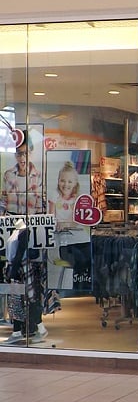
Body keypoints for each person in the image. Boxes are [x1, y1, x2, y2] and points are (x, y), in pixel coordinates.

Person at [0, 137, 49, 344]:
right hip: (13, 232)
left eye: (25, 153)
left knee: (30, 285)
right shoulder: (8, 175)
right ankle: (24, 328)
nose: (22, 157)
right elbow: (3, 201)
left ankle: (33, 327)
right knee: (16, 284)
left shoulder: (38, 176)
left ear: (31, 153)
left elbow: (43, 205)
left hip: (31, 234)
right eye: (19, 153)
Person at [48, 161, 91, 290]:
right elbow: (51, 218)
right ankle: (77, 289)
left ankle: (85, 287)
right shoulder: (55, 196)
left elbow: (75, 220)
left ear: (75, 183)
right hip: (63, 242)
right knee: (79, 259)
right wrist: (58, 224)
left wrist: (65, 223)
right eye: (62, 180)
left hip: (81, 239)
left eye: (70, 182)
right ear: (58, 181)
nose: (66, 184)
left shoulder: (78, 199)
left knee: (90, 258)